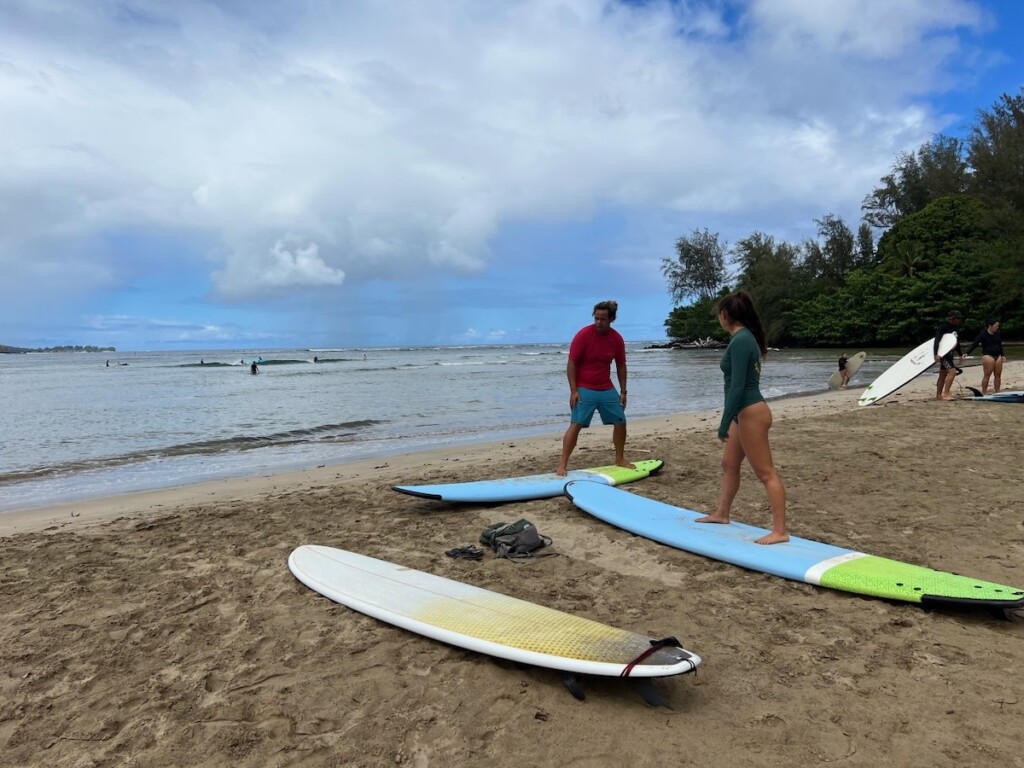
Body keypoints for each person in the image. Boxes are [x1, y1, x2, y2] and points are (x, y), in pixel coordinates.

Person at [696, 291, 788, 545]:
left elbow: (737, 387)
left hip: (750, 413)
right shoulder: (745, 338)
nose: (719, 318)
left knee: (766, 473)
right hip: (744, 412)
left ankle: (780, 531)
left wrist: (724, 423)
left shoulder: (741, 340)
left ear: (726, 314)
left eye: (720, 314)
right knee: (729, 464)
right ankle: (722, 513)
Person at [556, 300, 634, 476]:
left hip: (606, 387)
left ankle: (619, 458)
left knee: (621, 421)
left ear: (611, 319)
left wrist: (623, 391)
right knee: (576, 424)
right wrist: (573, 391)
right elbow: (571, 364)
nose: (598, 322)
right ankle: (562, 464)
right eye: (596, 318)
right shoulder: (583, 335)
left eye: (603, 319)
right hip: (584, 388)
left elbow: (621, 366)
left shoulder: (616, 339)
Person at [964, 318, 1006, 395]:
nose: (997, 328)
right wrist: (967, 352)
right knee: (987, 375)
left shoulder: (997, 334)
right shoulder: (983, 334)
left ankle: (997, 391)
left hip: (998, 355)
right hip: (988, 356)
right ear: (990, 326)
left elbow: (999, 345)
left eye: (998, 326)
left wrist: (1003, 355)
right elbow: (975, 344)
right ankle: (984, 392)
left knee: (998, 375)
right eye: (996, 326)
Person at [933, 310, 965, 401]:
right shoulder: (943, 327)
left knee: (943, 375)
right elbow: (937, 340)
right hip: (944, 354)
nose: (959, 320)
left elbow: (956, 342)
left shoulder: (956, 328)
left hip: (950, 354)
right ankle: (946, 394)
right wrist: (936, 354)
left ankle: (939, 395)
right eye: (958, 318)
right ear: (952, 319)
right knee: (952, 372)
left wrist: (960, 354)